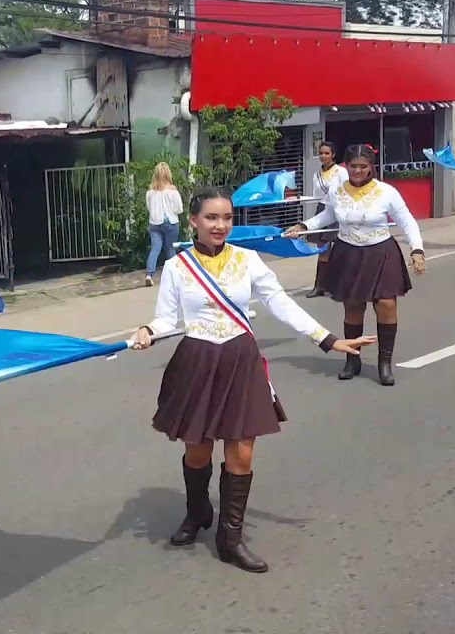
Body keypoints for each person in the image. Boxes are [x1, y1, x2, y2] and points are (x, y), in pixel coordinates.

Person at [132, 187, 374, 573]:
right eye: (211, 218)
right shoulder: (178, 267)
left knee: (241, 451)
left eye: (227, 218)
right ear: (193, 221)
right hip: (196, 360)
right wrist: (148, 330)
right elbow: (166, 319)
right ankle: (198, 513)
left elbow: (280, 302)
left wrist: (326, 339)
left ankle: (231, 538)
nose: (220, 225)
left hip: (239, 358)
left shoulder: (248, 260)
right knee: (198, 449)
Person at [287, 144, 426, 386]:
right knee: (352, 306)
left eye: (363, 166)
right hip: (348, 252)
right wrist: (303, 226)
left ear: (371, 167)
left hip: (381, 252)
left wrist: (417, 249)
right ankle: (353, 359)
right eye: (353, 166)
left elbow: (407, 221)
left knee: (385, 304)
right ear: (346, 166)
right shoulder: (337, 190)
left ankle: (384, 363)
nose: (358, 171)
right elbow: (327, 216)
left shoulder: (386, 192)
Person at [305, 141, 348, 298]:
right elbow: (316, 195)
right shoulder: (316, 174)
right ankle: (320, 285)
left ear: (333, 155)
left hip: (338, 209)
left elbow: (346, 191)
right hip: (323, 210)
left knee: (339, 248)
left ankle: (339, 286)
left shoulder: (341, 172)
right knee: (323, 249)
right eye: (321, 153)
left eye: (326, 153)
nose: (323, 156)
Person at [145, 162, 184, 287]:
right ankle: (172, 277)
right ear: (168, 174)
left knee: (155, 248)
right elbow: (179, 209)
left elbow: (149, 208)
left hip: (154, 223)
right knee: (170, 249)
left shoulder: (150, 192)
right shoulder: (172, 191)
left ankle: (149, 274)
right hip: (170, 222)